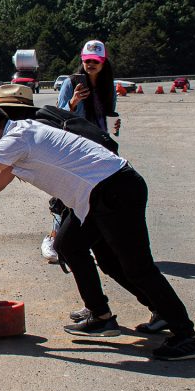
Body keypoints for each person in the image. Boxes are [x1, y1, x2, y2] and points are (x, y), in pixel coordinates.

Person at [0, 100, 195, 361]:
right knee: (71, 245)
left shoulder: (16, 137)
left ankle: (186, 335)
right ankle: (102, 316)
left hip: (114, 189)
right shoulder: (20, 138)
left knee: (137, 267)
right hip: (96, 197)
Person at [42, 39, 122, 263]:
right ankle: (54, 237)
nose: (91, 64)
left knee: (96, 196)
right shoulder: (71, 83)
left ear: (103, 62)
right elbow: (57, 116)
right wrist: (74, 101)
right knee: (66, 193)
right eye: (87, 60)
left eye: (96, 60)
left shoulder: (109, 86)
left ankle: (94, 243)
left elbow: (108, 117)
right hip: (73, 146)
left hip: (99, 147)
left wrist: (114, 125)